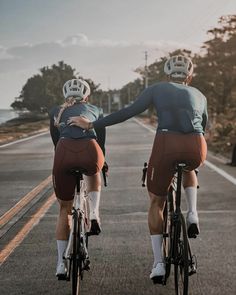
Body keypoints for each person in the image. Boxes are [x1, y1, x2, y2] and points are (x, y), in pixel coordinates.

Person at [68, 56, 208, 283]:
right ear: (189, 76)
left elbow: (128, 112)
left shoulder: (157, 88)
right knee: (189, 166)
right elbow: (205, 124)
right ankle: (193, 213)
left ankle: (159, 264)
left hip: (166, 143)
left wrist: (92, 124)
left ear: (167, 74)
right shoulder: (200, 94)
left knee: (157, 201)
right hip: (197, 145)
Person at [49, 78, 106, 278]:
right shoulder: (96, 109)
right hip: (90, 150)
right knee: (94, 170)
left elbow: (56, 142)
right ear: (86, 96)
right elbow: (101, 140)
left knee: (64, 209)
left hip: (63, 151)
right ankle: (94, 214)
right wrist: (103, 162)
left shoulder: (56, 111)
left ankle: (60, 264)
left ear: (65, 96)